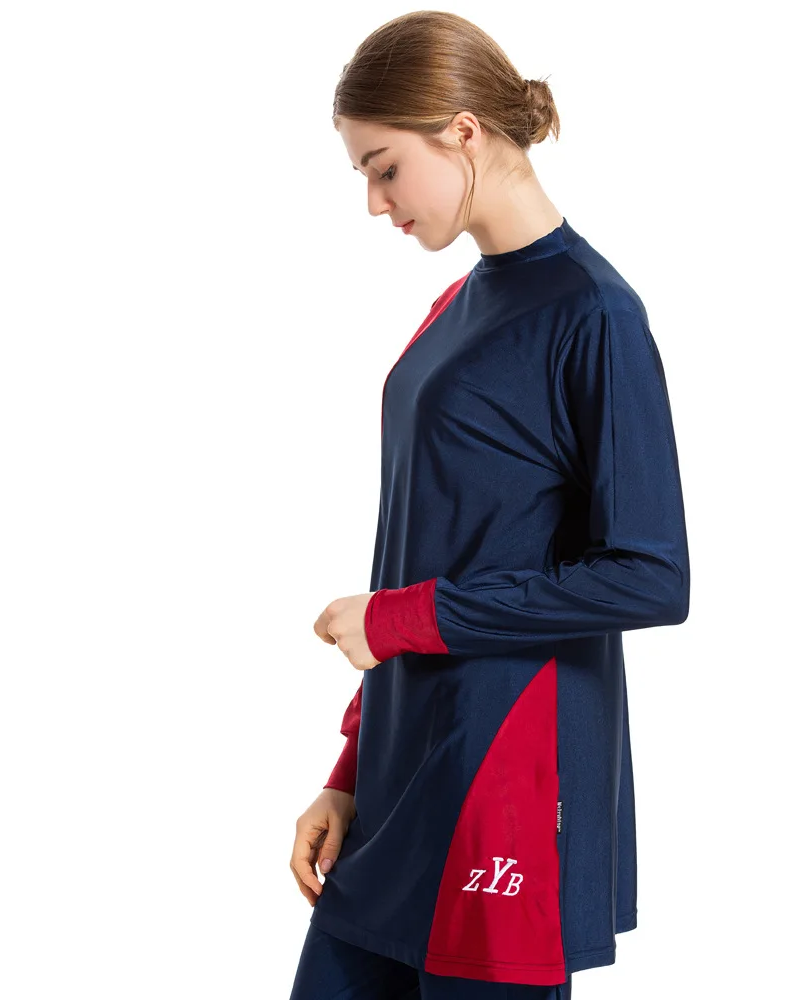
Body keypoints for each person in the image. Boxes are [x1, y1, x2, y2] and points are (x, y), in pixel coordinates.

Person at [288, 11, 690, 999]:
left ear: (463, 131)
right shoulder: (459, 303)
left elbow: (650, 575)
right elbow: (426, 544)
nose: (375, 203)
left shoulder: (594, 314)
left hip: (505, 778)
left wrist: (400, 620)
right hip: (401, 769)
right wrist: (350, 767)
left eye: (385, 168)